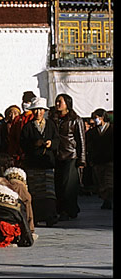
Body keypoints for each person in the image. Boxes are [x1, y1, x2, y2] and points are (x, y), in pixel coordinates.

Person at [20, 97, 60, 227]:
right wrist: (34, 144)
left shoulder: (51, 125)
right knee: (35, 191)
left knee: (48, 191)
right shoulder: (27, 127)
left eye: (40, 110)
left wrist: (51, 144)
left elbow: (57, 140)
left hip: (47, 162)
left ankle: (50, 216)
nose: (38, 113)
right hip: (33, 163)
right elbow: (23, 143)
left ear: (44, 111)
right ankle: (36, 216)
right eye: (36, 110)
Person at [50, 93, 86, 221]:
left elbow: (81, 140)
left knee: (68, 185)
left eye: (60, 101)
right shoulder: (53, 118)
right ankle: (66, 209)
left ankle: (67, 210)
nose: (57, 104)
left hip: (70, 155)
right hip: (56, 155)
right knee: (58, 184)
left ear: (67, 103)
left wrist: (82, 159)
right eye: (57, 101)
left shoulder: (76, 119)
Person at [87, 108, 113, 209]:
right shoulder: (93, 132)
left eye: (96, 118)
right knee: (100, 182)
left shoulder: (111, 129)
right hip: (98, 160)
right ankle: (105, 198)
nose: (93, 120)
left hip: (110, 160)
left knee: (109, 181)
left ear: (102, 118)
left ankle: (108, 200)